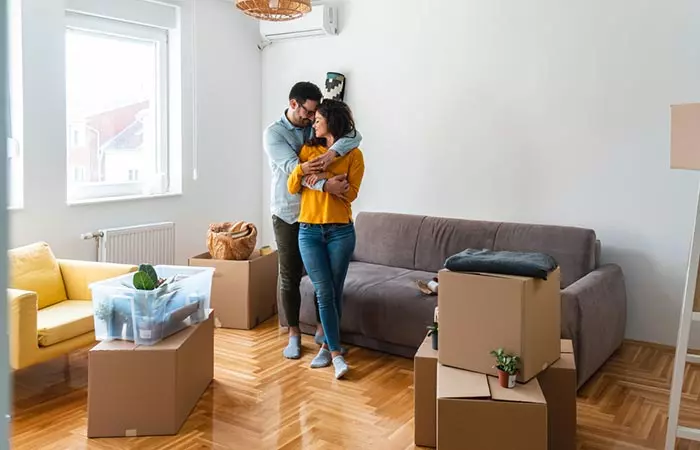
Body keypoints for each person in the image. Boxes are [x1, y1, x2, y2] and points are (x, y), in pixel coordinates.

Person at [263, 82, 362, 360]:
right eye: (308, 112)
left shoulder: (314, 126)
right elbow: (294, 170)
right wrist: (327, 184)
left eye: (316, 114)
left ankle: (322, 330)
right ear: (293, 104)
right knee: (290, 275)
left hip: (317, 214)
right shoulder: (274, 134)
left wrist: (332, 153)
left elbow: (353, 135)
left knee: (324, 281)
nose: (312, 118)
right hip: (287, 211)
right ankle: (293, 333)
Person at [288, 99, 365, 379]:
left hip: (341, 231)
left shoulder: (353, 154)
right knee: (324, 291)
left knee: (333, 289)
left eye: (319, 118)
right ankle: (336, 354)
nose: (314, 122)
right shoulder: (308, 150)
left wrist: (327, 182)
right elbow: (294, 185)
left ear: (332, 121)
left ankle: (325, 347)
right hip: (309, 231)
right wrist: (309, 173)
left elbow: (351, 192)